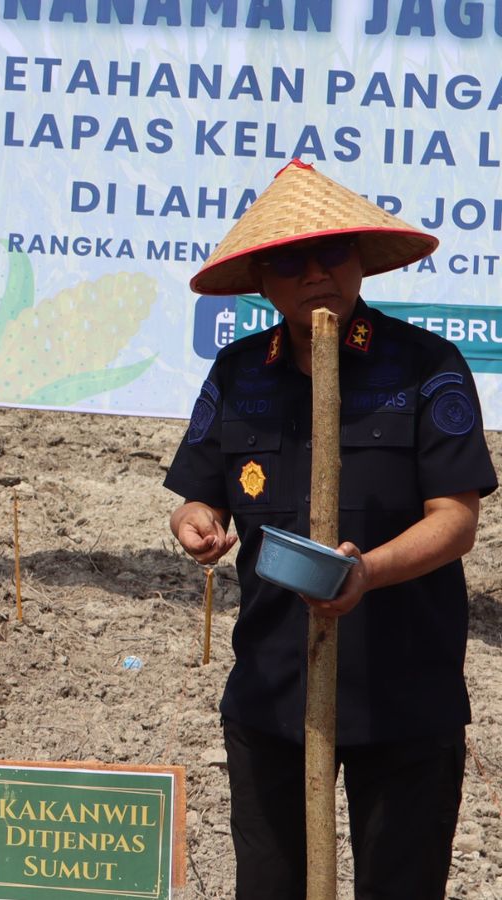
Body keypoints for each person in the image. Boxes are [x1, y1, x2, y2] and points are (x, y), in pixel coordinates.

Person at [165, 159, 493, 899]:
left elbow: (457, 521)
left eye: (332, 253)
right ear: (261, 280)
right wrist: (198, 524)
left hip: (404, 697)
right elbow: (200, 498)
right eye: (289, 259)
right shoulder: (237, 373)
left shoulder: (428, 368)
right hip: (273, 694)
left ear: (359, 263)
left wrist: (367, 573)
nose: (314, 273)